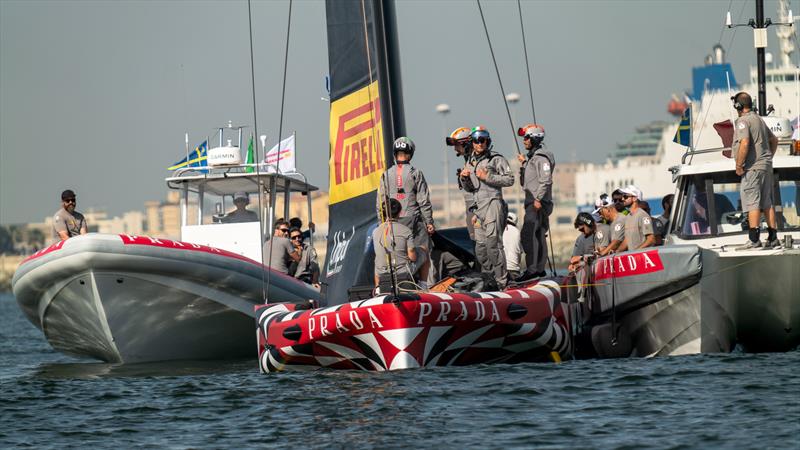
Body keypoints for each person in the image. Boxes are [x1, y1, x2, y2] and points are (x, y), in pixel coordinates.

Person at [462, 127, 514, 288]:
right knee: (481, 250)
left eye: (483, 140)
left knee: (493, 245)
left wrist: (488, 177)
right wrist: (464, 179)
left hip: (493, 203)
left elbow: (510, 179)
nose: (480, 143)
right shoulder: (470, 161)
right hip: (479, 209)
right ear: (473, 143)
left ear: (488, 141)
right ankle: (489, 279)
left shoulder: (496, 159)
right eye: (477, 140)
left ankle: (502, 281)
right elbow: (470, 188)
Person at [731, 91, 780, 249]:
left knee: (753, 203)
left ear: (738, 106)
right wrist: (767, 158)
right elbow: (774, 139)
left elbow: (744, 143)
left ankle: (754, 240)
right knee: (767, 203)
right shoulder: (759, 119)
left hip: (752, 168)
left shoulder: (743, 121)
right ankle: (773, 238)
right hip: (766, 167)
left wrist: (739, 165)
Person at [377, 136, 435, 262]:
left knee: (398, 256)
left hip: (393, 222)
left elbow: (380, 203)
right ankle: (426, 281)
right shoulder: (416, 173)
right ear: (410, 154)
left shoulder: (385, 175)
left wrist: (381, 224)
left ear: (395, 153)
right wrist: (429, 222)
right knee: (424, 252)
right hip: (414, 220)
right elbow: (423, 201)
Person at [516, 123, 555, 282]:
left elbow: (546, 180)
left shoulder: (541, 158)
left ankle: (533, 270)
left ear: (534, 138)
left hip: (537, 202)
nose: (524, 141)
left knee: (529, 234)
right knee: (538, 235)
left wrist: (538, 198)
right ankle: (539, 269)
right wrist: (525, 163)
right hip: (534, 200)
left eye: (526, 137)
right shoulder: (534, 158)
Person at [372, 198, 429, 288]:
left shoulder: (375, 232)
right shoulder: (406, 230)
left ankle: (378, 289)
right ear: (399, 213)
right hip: (402, 272)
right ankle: (423, 285)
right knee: (424, 249)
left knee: (378, 262)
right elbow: (413, 257)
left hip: (381, 273)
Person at [449, 127, 477, 241]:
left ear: (465, 144)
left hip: (476, 207)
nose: (455, 149)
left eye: (457, 145)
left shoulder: (476, 161)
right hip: (470, 206)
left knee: (479, 244)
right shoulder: (468, 160)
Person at [620, 185, 655, 249]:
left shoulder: (643, 215)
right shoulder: (628, 217)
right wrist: (616, 252)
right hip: (634, 257)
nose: (622, 199)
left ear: (635, 198)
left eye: (625, 196)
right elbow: (627, 240)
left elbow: (651, 239)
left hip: (641, 257)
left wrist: (636, 251)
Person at [503, 212, 523, 280]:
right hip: (514, 270)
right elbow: (520, 253)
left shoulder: (499, 230)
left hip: (501, 270)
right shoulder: (517, 232)